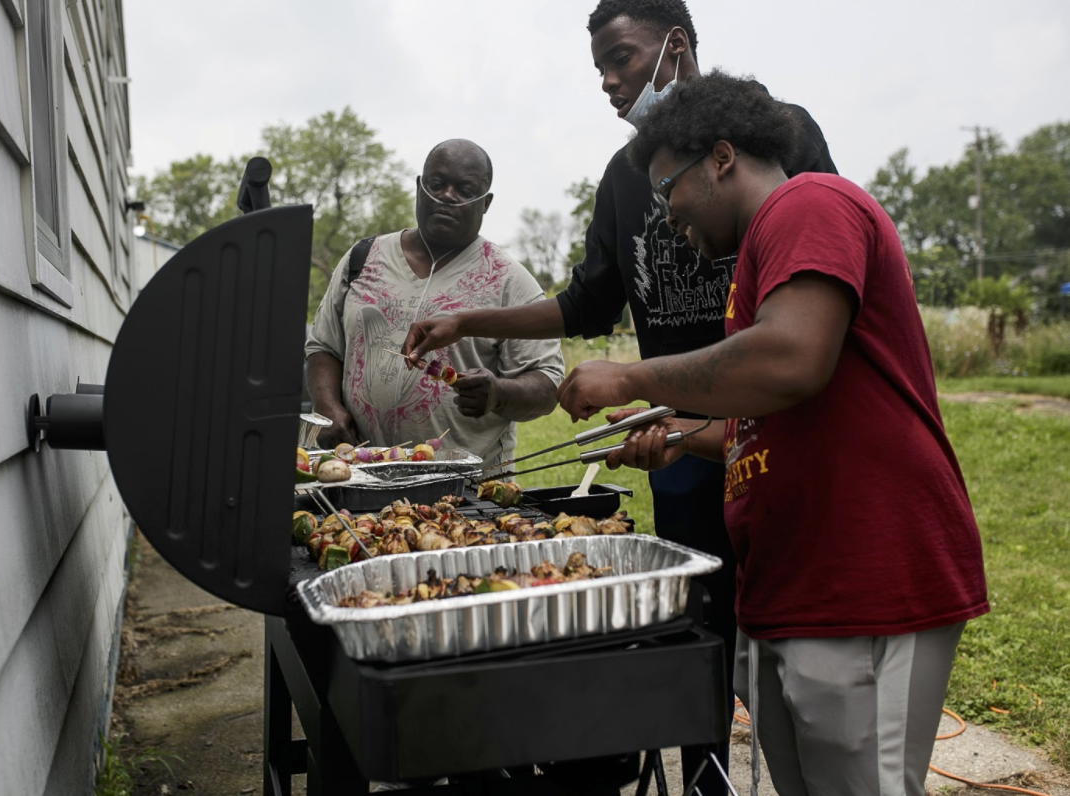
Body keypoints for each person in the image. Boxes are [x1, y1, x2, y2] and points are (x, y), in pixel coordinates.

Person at [402, 2, 835, 791]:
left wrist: (634, 381)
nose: (607, 82)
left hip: (772, 439)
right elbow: (586, 303)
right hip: (685, 452)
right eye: (598, 67)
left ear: (675, 47)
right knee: (700, 644)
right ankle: (709, 778)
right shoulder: (625, 174)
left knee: (798, 651)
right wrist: (467, 316)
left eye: (621, 59)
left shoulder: (783, 135)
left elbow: (813, 295)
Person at [557, 71, 989, 795]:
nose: (665, 216)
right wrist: (681, 434)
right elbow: (761, 422)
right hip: (788, 583)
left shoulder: (808, 202)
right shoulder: (756, 256)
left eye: (669, 192)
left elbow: (791, 359)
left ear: (722, 157)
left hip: (864, 572)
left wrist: (635, 377)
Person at [305, 139, 564, 468]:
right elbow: (323, 346)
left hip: (465, 499)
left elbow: (547, 384)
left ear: (485, 203)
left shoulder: (510, 282)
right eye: (437, 184)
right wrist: (328, 407)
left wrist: (499, 393)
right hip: (360, 480)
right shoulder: (363, 258)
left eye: (465, 188)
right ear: (419, 187)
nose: (447, 196)